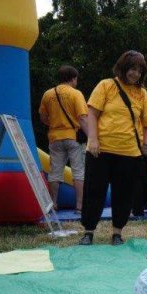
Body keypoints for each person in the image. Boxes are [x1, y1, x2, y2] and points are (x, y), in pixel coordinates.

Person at [80, 51, 147, 246]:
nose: (136, 74)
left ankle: (117, 233)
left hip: (130, 153)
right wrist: (93, 139)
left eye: (140, 70)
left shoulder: (142, 94)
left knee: (123, 194)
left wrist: (146, 144)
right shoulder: (106, 85)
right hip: (101, 150)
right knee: (94, 190)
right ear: (123, 68)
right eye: (133, 69)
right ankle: (88, 232)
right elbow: (92, 114)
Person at [39, 65, 88, 212]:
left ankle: (53, 203)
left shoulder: (48, 94)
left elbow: (43, 117)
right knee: (78, 171)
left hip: (54, 137)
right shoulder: (76, 94)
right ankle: (79, 206)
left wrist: (54, 124)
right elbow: (82, 118)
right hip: (73, 137)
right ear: (73, 78)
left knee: (55, 172)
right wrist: (91, 136)